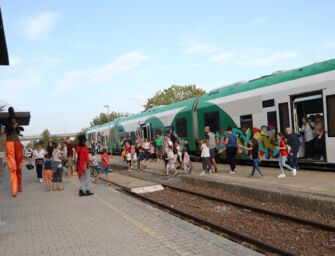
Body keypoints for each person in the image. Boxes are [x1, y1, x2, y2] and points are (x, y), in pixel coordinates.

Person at [4, 107, 24, 197]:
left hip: (17, 144)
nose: (14, 119)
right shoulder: (7, 124)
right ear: (10, 118)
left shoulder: (16, 123)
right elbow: (7, 130)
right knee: (13, 167)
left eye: (14, 118)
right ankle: (14, 190)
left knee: (19, 166)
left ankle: (19, 186)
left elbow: (21, 130)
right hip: (10, 144)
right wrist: (14, 126)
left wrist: (18, 127)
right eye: (12, 118)